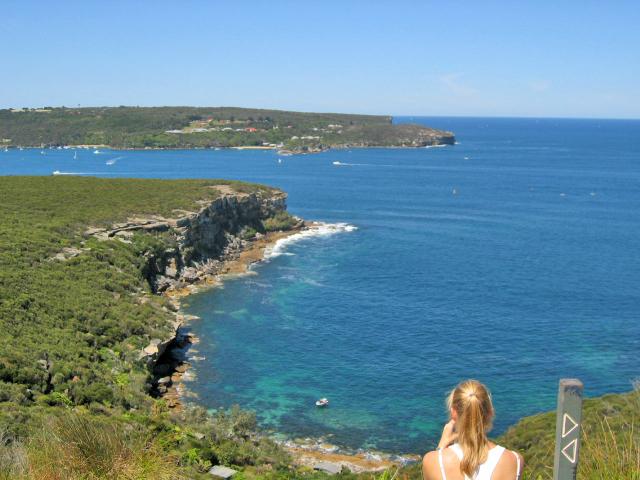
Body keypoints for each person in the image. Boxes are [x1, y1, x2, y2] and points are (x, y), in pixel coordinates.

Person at [422, 380, 523, 480]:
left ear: (453, 413)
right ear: (491, 412)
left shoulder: (433, 461)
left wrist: (440, 448)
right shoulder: (515, 461)